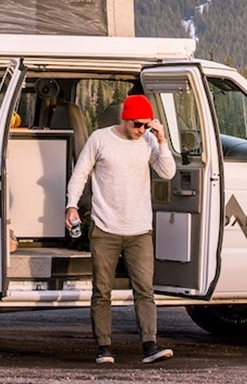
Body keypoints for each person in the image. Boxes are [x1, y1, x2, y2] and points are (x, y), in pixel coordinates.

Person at [65, 93, 176, 365]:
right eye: (138, 124)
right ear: (125, 118)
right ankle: (104, 347)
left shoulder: (149, 140)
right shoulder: (100, 139)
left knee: (144, 290)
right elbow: (80, 173)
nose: (141, 130)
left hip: (140, 230)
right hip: (105, 228)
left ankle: (149, 345)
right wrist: (71, 206)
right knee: (102, 290)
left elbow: (168, 172)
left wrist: (161, 140)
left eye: (146, 125)